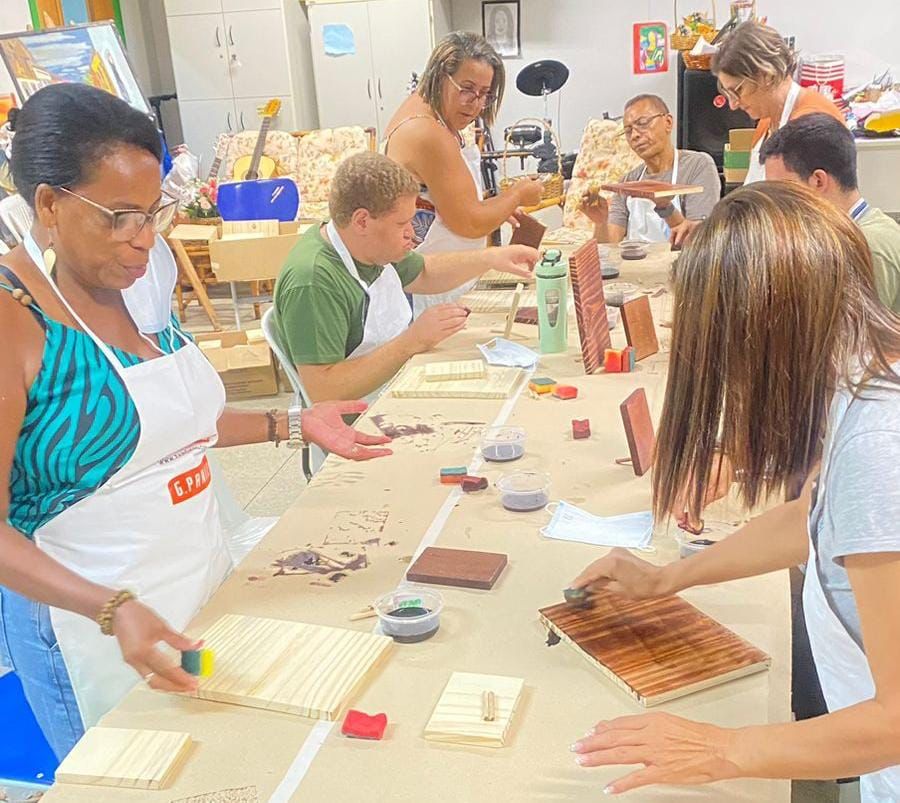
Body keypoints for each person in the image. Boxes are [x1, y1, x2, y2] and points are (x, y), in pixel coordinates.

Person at [0, 84, 392, 760]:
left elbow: (175, 426)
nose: (144, 240)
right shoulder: (16, 319)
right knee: (141, 772)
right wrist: (109, 606)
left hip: (193, 593)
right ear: (49, 206)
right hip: (95, 630)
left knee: (222, 758)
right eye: (120, 216)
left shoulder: (124, 285)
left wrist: (295, 424)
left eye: (153, 213)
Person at [568, 183, 900, 800]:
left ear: (762, 330)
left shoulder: (880, 445)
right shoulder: (859, 373)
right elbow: (813, 521)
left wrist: (721, 748)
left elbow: (896, 719)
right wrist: (668, 579)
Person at [272, 152, 537, 404]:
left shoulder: (364, 245)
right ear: (362, 221)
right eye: (401, 224)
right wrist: (412, 341)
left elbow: (423, 272)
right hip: (359, 416)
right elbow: (324, 391)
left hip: (393, 382)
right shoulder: (313, 280)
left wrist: (491, 258)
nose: (412, 234)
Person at [383, 31, 543, 315]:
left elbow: (448, 200)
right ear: (441, 75)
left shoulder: (428, 112)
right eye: (467, 88)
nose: (476, 104)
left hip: (435, 274)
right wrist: (517, 194)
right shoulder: (426, 131)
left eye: (485, 94)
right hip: (424, 284)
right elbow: (467, 222)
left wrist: (496, 206)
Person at [761, 113, 900, 315]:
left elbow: (858, 342)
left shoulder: (867, 246)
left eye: (784, 190)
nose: (777, 203)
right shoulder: (842, 237)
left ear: (818, 181)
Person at [714, 20, 843, 186]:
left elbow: (810, 204)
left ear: (767, 75)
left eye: (737, 91)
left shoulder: (813, 121)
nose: (733, 104)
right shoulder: (766, 123)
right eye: (727, 94)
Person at [579, 94, 720, 245]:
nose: (634, 135)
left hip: (680, 265)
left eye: (643, 123)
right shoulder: (628, 182)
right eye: (628, 131)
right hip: (635, 266)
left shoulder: (697, 166)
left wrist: (664, 206)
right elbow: (609, 246)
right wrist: (601, 222)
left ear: (668, 122)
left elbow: (698, 243)